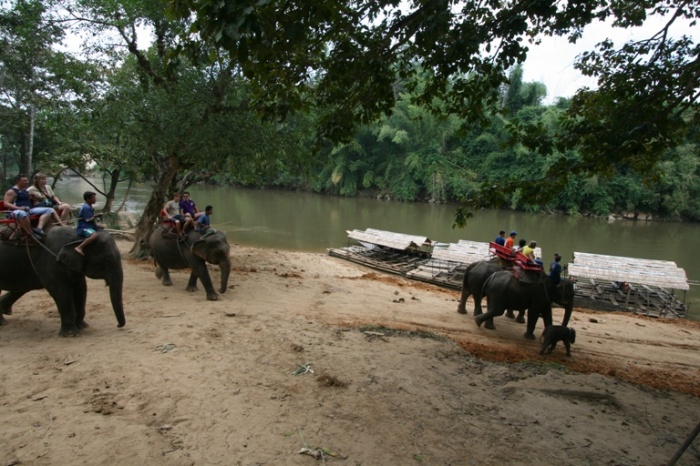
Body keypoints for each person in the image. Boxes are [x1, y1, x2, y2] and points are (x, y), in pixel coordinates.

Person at [3, 174, 60, 238]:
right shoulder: (12, 191)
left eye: (27, 180)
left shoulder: (24, 190)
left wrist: (35, 199)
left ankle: (39, 228)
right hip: (16, 211)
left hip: (29, 209)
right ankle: (31, 233)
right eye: (24, 181)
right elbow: (6, 203)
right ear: (18, 181)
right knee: (22, 213)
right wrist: (19, 208)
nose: (27, 182)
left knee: (49, 210)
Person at [74, 191, 104, 256]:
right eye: (93, 198)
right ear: (88, 199)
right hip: (84, 227)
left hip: (89, 225)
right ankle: (79, 247)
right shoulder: (86, 207)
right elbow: (88, 219)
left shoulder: (88, 206)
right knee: (94, 235)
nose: (95, 199)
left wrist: (96, 215)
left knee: (102, 227)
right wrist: (96, 216)